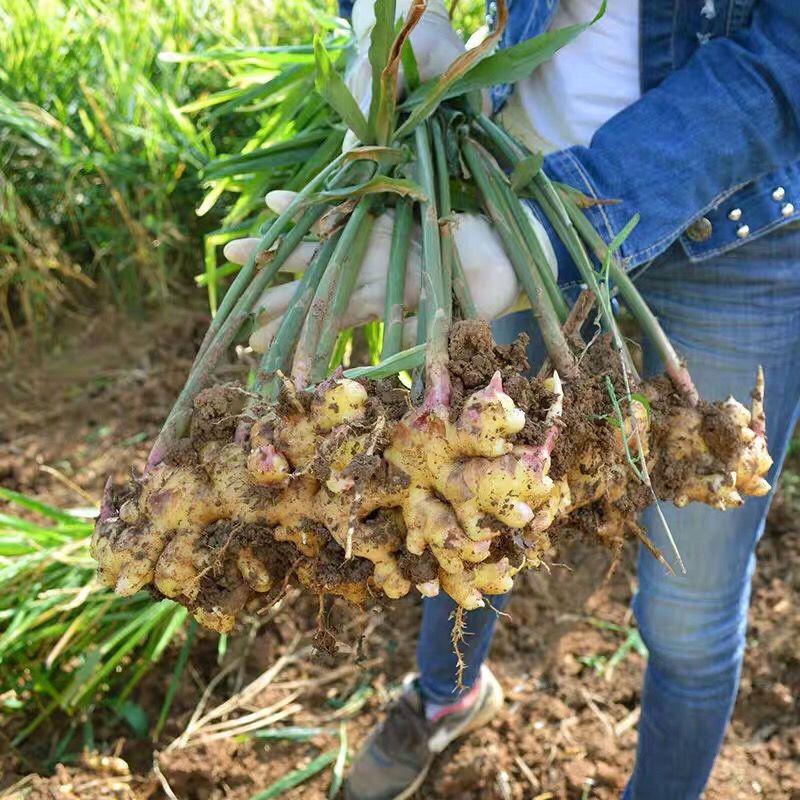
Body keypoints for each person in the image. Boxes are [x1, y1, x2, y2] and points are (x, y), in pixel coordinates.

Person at [225, 1, 800, 797]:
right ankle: (446, 696)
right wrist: (384, 22)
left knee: (689, 613)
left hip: (738, 223)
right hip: (520, 177)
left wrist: (548, 231)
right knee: (466, 505)